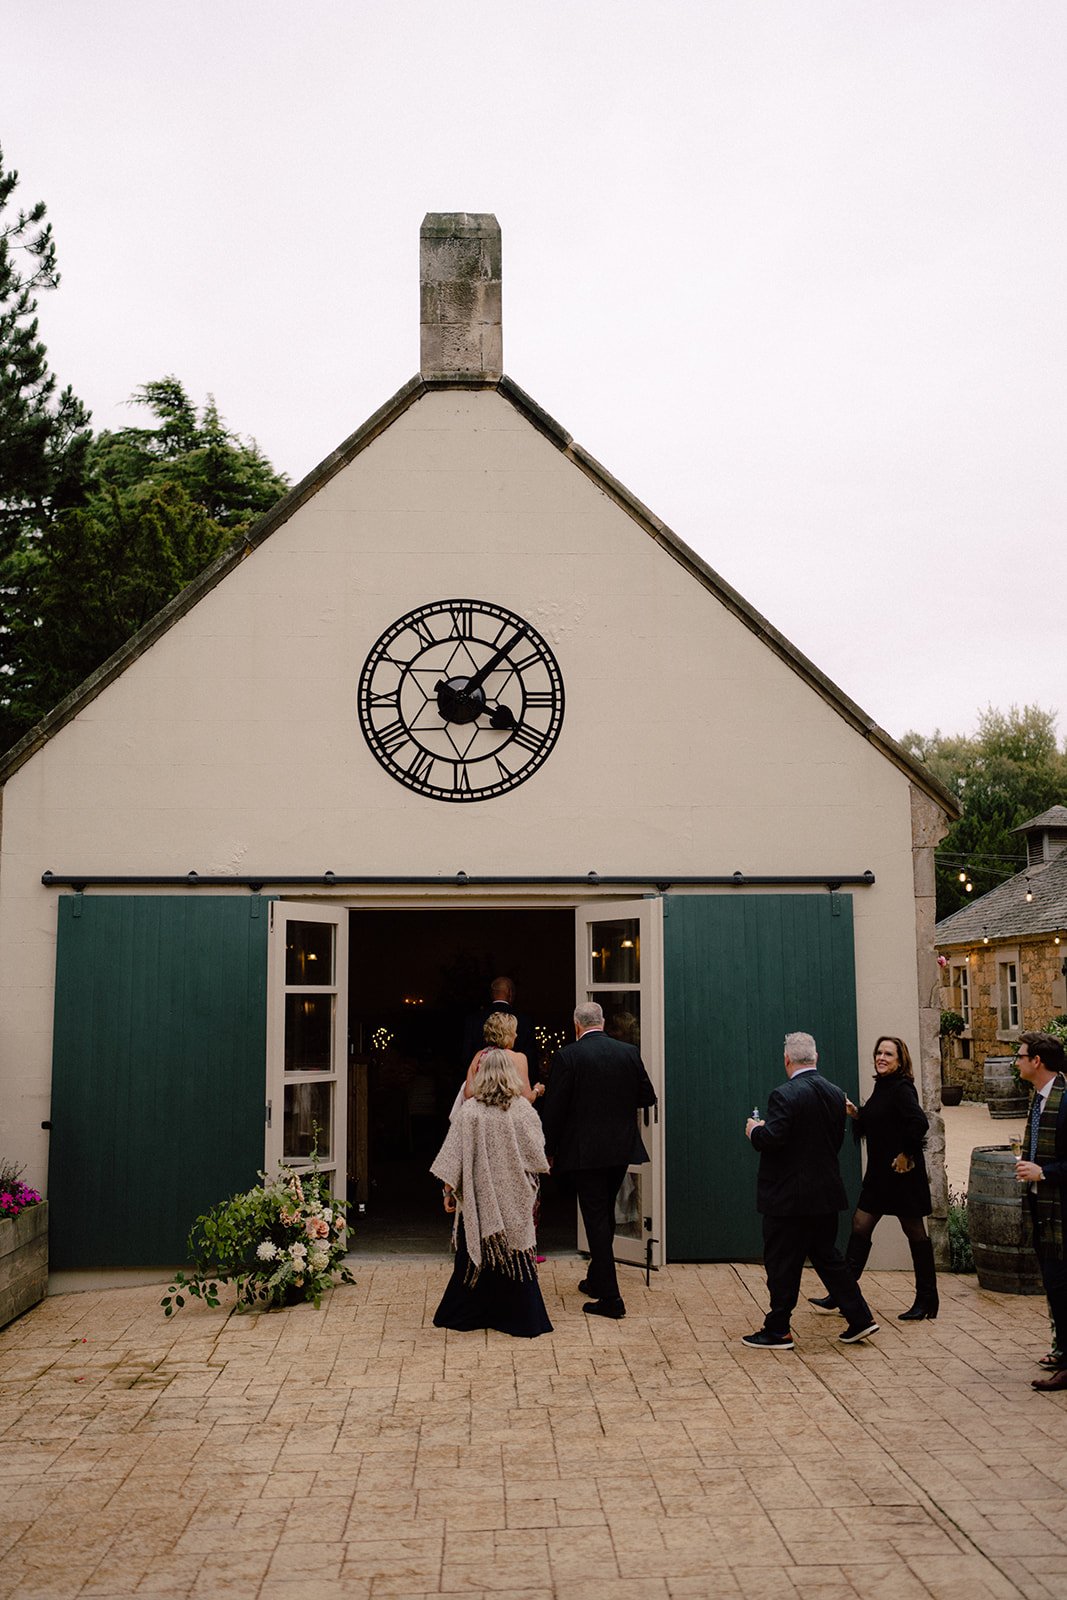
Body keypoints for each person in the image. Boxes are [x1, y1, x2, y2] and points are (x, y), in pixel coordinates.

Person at [743, 1030, 879, 1349]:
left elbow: (773, 1139)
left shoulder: (784, 1095)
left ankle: (778, 1329)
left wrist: (754, 1130)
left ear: (787, 1059)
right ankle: (860, 1318)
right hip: (825, 1193)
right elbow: (829, 1141)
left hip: (788, 1198)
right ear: (815, 1057)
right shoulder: (835, 1093)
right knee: (828, 1257)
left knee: (781, 1262)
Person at [540, 999, 657, 1320]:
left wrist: (547, 1149)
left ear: (577, 1025)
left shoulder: (568, 1056)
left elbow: (555, 1110)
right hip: (620, 1149)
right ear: (602, 1022)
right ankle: (596, 1280)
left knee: (595, 1218)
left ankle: (611, 1299)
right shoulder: (628, 1053)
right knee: (602, 1213)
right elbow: (648, 1097)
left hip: (585, 1152)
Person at [808, 1036, 937, 1321]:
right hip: (880, 1175)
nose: (881, 1057)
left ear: (900, 1060)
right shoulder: (883, 1086)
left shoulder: (903, 1088)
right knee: (860, 1224)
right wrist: (857, 1114)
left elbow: (919, 1122)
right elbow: (880, 1122)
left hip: (902, 1174)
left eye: (888, 1054)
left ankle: (927, 1299)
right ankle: (844, 1293)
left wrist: (906, 1154)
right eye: (878, 1052)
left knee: (915, 1232)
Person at [430, 1048, 552, 1338]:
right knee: (516, 1254)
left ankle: (470, 1313)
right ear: (510, 1075)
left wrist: (447, 1191)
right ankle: (520, 1318)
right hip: (515, 1197)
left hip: (477, 1199)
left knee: (474, 1254)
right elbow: (537, 1155)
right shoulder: (523, 1109)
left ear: (481, 1075)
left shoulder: (469, 1112)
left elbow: (453, 1157)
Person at [1013, 1032, 1067, 1393]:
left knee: (1063, 1286)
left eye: (1020, 1056)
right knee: (1054, 1284)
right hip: (1043, 1209)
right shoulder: (1040, 1099)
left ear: (1037, 1061)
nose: (1015, 1061)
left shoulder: (1066, 1102)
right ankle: (1062, 1350)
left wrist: (1043, 1171)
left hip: (1062, 1208)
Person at [462, 1010, 544, 1105]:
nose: (516, 1035)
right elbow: (527, 1098)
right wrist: (537, 1090)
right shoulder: (519, 1058)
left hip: (483, 1118)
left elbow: (468, 1094)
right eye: (514, 1031)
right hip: (509, 1118)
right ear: (508, 1034)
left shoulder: (479, 1055)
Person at [461, 976, 537, 1072]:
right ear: (510, 993)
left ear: (492, 994)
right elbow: (531, 1058)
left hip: (481, 1080)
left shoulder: (473, 1019)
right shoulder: (524, 1020)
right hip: (514, 1080)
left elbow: (466, 1057)